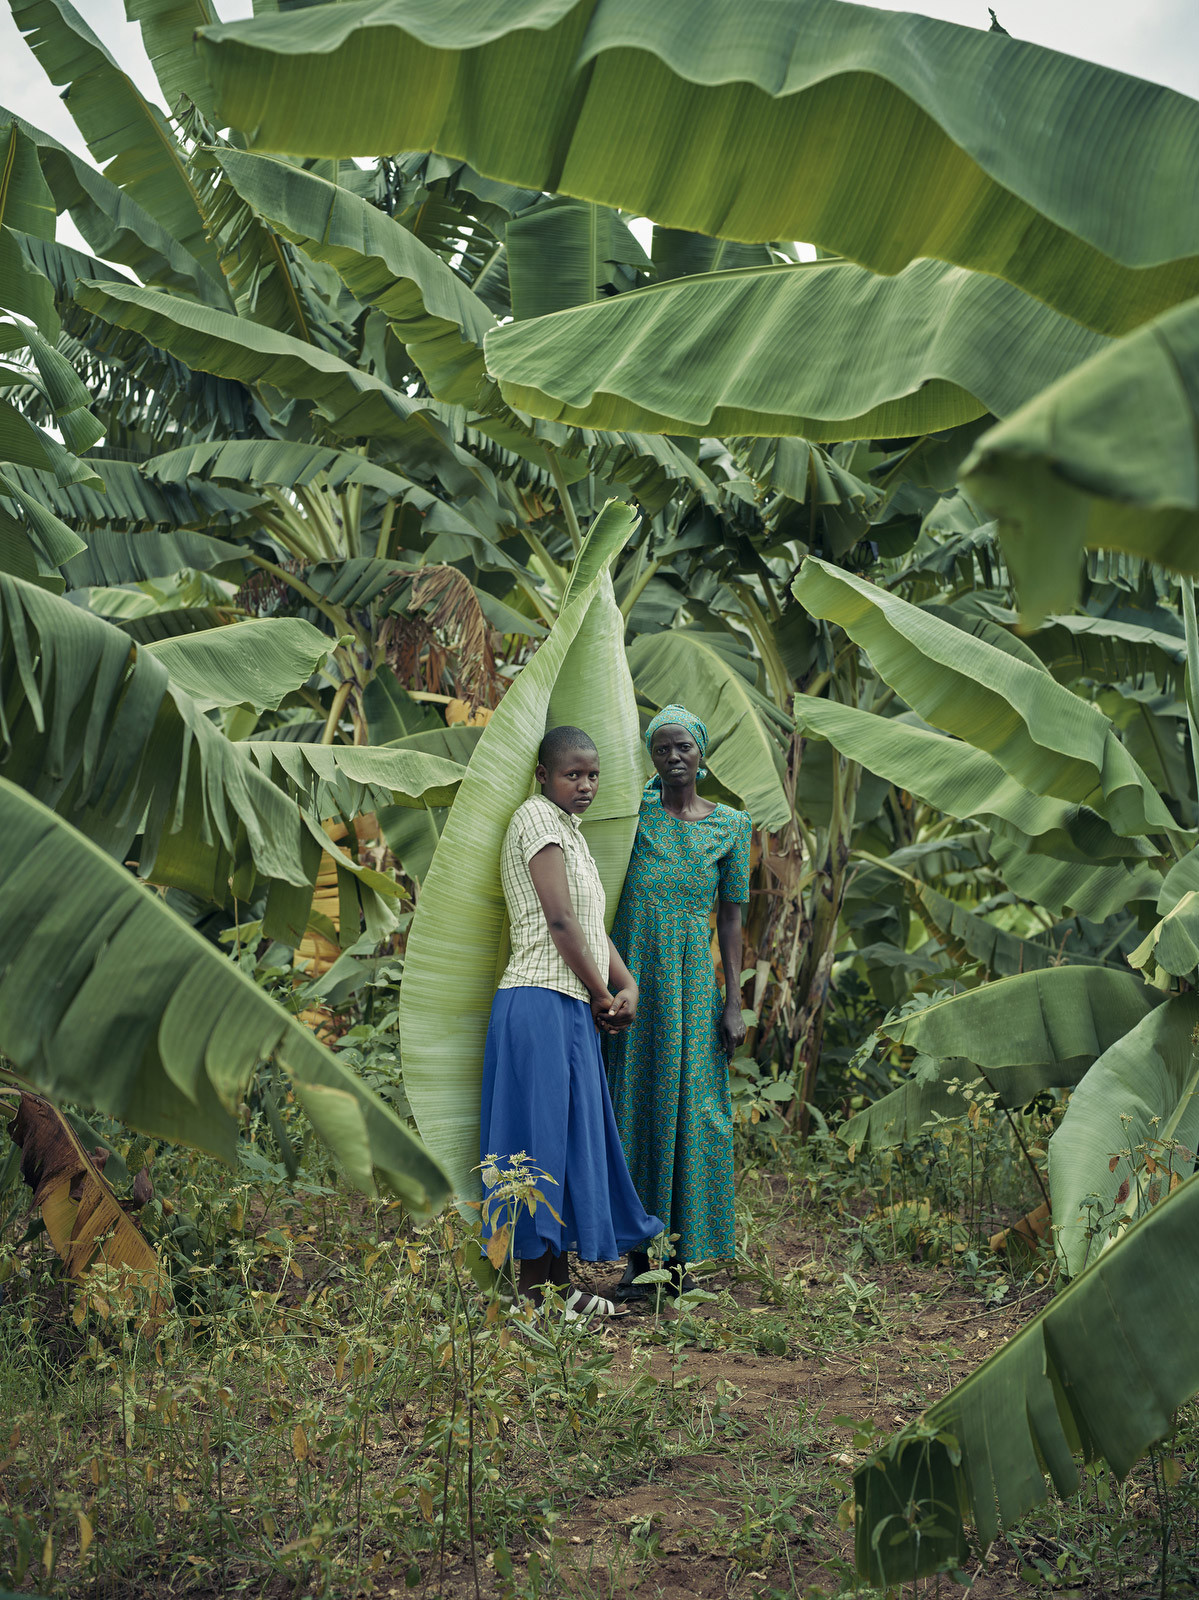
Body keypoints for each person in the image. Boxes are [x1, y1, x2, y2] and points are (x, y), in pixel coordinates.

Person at [480, 723, 664, 1317]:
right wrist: (601, 994)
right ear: (544, 775)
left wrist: (626, 983)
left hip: (569, 1004)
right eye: (572, 774)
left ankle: (561, 1290)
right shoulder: (535, 819)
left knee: (565, 1143)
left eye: (592, 775)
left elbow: (590, 925)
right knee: (535, 1144)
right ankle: (530, 1296)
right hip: (536, 1001)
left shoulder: (572, 834)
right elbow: (559, 923)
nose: (584, 785)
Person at [605, 706, 752, 1300]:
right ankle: (639, 1260)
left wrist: (735, 1001)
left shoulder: (732, 826)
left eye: (682, 747)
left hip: (695, 986)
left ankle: (689, 1260)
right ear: (652, 755)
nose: (673, 757)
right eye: (662, 748)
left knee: (696, 1114)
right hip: (636, 981)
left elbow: (734, 917)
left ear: (701, 752)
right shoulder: (633, 815)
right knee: (636, 1108)